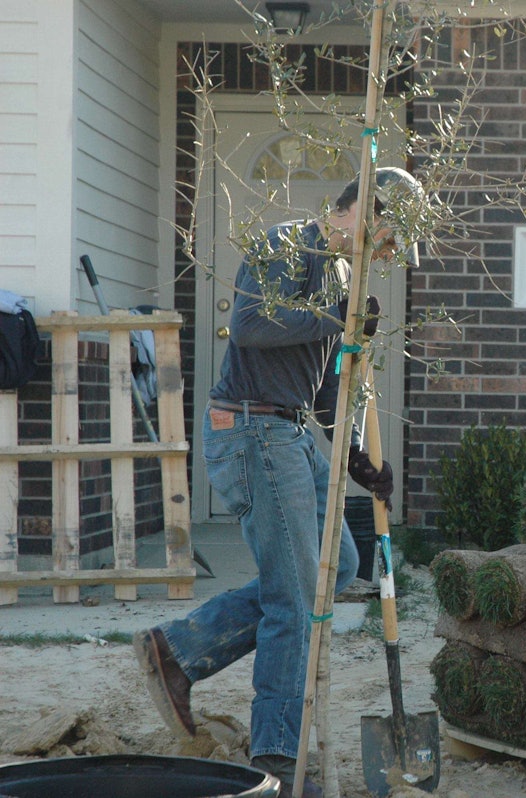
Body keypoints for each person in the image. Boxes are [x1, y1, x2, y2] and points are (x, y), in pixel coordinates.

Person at [133, 167, 419, 798]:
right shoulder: (287, 244)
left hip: (288, 431)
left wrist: (356, 462)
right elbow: (254, 327)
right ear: (364, 213)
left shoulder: (342, 274)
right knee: (294, 598)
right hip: (252, 430)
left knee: (337, 567)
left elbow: (319, 395)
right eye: (391, 239)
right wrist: (335, 317)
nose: (392, 256)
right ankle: (277, 759)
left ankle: (179, 650)